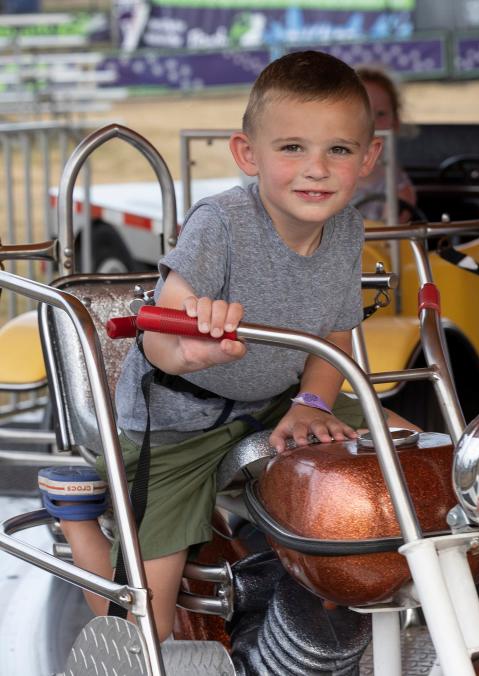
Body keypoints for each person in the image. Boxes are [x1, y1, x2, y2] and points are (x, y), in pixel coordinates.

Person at [44, 50, 412, 640]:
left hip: (274, 401)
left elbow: (334, 334)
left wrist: (311, 405)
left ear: (368, 158)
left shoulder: (345, 228)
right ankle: (79, 520)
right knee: (146, 625)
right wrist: (193, 351)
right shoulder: (221, 224)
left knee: (414, 457)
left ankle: (341, 613)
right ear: (248, 154)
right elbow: (158, 331)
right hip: (176, 422)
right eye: (292, 147)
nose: (316, 168)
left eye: (337, 150)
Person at [354, 66, 418, 223]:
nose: (371, 123)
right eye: (359, 112)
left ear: (394, 122)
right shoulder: (325, 177)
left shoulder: (398, 187)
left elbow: (387, 240)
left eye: (380, 114)